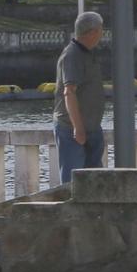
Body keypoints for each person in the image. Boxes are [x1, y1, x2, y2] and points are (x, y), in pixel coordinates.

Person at [53, 11, 105, 184]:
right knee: (72, 182)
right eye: (100, 30)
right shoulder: (72, 55)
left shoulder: (89, 53)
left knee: (95, 182)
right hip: (72, 130)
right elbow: (69, 92)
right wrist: (78, 128)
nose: (102, 34)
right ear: (92, 32)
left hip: (92, 129)